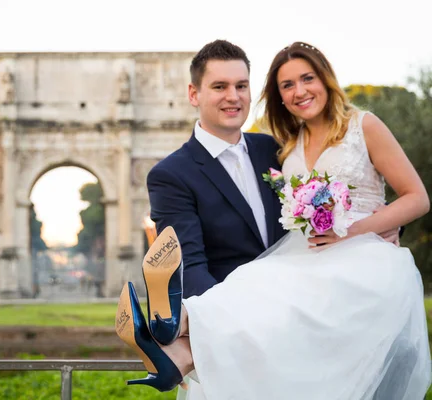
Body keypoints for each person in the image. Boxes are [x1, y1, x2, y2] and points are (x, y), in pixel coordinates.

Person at [115, 41, 431, 399]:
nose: (233, 96)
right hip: (259, 304)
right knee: (263, 286)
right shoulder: (178, 173)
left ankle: (175, 333)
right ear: (193, 93)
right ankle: (178, 333)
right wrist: (222, 333)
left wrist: (380, 228)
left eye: (241, 86)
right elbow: (191, 263)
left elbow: (388, 196)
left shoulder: (272, 149)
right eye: (219, 86)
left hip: (325, 273)